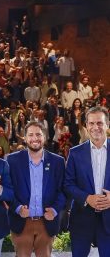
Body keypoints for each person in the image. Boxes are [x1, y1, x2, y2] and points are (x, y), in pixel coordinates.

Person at [7, 121, 66, 257]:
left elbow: (62, 191)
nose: (35, 138)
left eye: (38, 134)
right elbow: (8, 190)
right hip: (21, 221)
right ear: (25, 138)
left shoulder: (58, 161)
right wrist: (18, 208)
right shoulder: (12, 160)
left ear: (44, 137)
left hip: (47, 222)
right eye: (31, 135)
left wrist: (55, 210)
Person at [64, 106, 110, 256]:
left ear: (107, 125)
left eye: (99, 123)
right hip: (81, 219)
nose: (95, 127)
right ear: (86, 125)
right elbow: (68, 184)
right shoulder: (75, 153)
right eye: (91, 123)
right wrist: (87, 198)